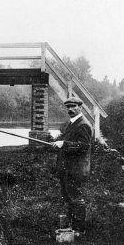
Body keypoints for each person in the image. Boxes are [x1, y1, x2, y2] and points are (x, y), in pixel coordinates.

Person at [51, 95, 93, 231]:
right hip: (67, 168)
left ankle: (79, 229)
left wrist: (64, 143)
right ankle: (70, 225)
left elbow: (83, 147)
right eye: (68, 107)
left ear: (80, 107)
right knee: (67, 196)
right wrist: (58, 139)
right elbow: (66, 138)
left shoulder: (84, 125)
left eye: (73, 106)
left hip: (76, 169)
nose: (70, 109)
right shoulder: (71, 123)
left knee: (76, 197)